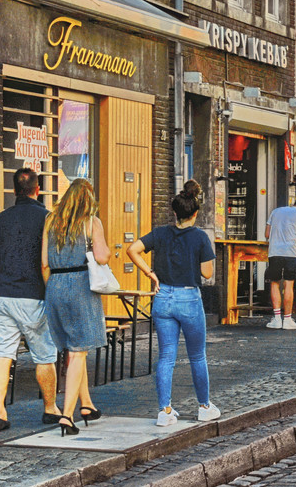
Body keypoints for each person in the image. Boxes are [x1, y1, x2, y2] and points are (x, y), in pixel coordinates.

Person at [129, 182, 223, 426]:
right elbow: (206, 272)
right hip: (189, 298)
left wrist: (151, 273)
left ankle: (165, 411)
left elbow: (133, 249)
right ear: (195, 213)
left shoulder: (159, 233)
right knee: (197, 355)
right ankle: (204, 406)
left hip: (163, 298)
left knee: (166, 356)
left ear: (175, 212)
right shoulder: (200, 237)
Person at [0, 168, 59, 433]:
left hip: (4, 295)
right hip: (34, 295)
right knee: (44, 354)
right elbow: (48, 261)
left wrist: (4, 278)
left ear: (14, 190)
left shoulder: (0, 219)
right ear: (37, 189)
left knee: (3, 353)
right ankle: (50, 408)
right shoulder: (48, 218)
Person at [44, 178, 111, 435]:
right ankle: (67, 415)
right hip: (81, 284)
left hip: (55, 284)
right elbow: (103, 256)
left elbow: (43, 262)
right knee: (79, 351)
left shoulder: (51, 221)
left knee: (74, 347)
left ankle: (87, 405)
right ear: (89, 200)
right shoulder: (91, 222)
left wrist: (52, 288)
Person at [264, 196, 296, 329]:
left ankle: (277, 319)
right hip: (291, 252)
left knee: (274, 283)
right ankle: (287, 319)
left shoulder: (276, 211)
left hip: (274, 252)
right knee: (288, 285)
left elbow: (267, 234)